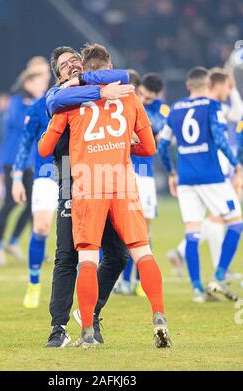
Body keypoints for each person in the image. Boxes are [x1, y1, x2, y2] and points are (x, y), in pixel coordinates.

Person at [39, 43, 171, 349]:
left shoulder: (68, 105)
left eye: (75, 61)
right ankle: (158, 315)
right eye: (64, 64)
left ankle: (87, 327)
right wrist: (125, 140)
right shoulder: (120, 94)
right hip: (116, 181)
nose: (71, 66)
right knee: (140, 251)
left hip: (86, 181)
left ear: (85, 67)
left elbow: (44, 148)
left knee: (90, 255)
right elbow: (150, 149)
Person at [158, 66, 243, 303]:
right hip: (212, 176)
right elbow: (219, 137)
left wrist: (171, 173)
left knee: (192, 231)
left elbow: (163, 146)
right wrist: (236, 164)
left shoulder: (174, 109)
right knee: (236, 222)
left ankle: (197, 289)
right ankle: (218, 275)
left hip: (185, 178)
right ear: (207, 86)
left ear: (187, 86)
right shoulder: (212, 106)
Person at [116, 72, 170, 294]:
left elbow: (160, 135)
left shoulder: (162, 109)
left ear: (156, 95)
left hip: (146, 174)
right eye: (141, 96)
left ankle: (139, 281)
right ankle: (126, 281)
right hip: (128, 170)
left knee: (145, 231)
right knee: (129, 230)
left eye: (148, 98)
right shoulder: (129, 105)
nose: (144, 100)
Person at [11, 60, 58, 309]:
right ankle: (33, 283)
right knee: (40, 228)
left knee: (78, 233)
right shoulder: (37, 108)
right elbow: (25, 144)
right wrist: (17, 178)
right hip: (44, 173)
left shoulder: (72, 103)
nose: (43, 80)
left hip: (72, 172)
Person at [0, 69, 49, 266]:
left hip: (29, 162)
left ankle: (13, 241)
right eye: (39, 82)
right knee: (9, 202)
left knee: (33, 203)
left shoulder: (38, 103)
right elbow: (20, 123)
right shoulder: (16, 102)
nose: (43, 86)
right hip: (11, 161)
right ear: (28, 83)